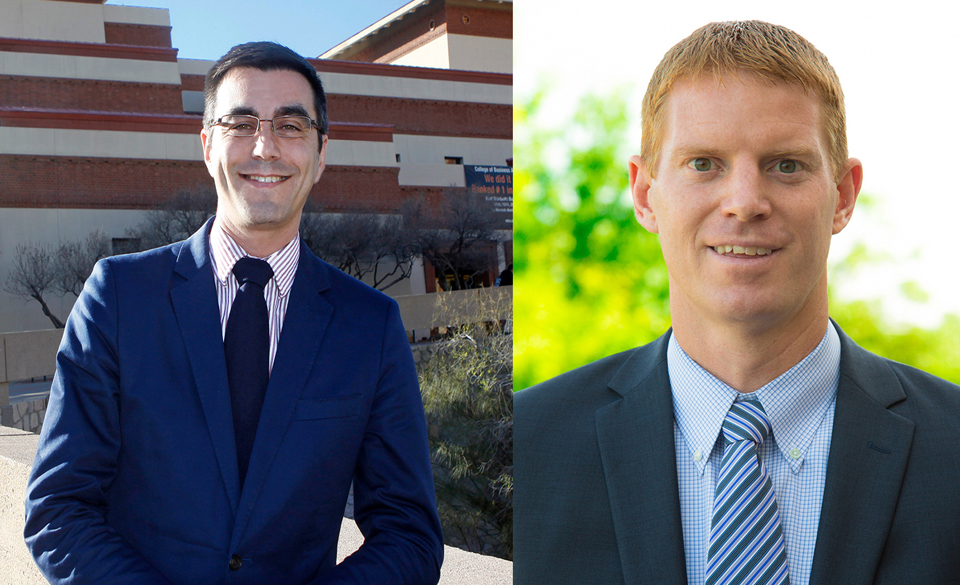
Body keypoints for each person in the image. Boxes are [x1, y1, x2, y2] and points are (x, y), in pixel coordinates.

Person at [514, 21, 960, 585]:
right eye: (704, 163)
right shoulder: (531, 443)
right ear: (645, 194)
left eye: (786, 165)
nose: (745, 203)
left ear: (843, 196)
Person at [24, 42, 443, 585]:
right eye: (241, 124)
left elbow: (409, 533)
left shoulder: (370, 325)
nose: (265, 147)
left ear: (320, 155)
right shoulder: (119, 297)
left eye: (291, 126)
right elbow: (59, 508)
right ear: (207, 145)